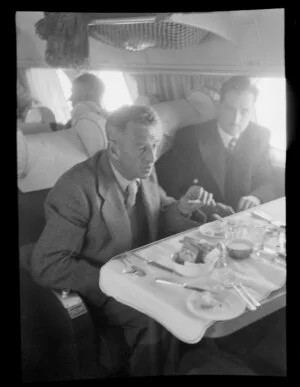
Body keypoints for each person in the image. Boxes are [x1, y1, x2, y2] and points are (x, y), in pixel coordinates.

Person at [29, 105, 212, 376]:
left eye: (155, 144)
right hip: (101, 287)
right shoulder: (76, 189)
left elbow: (160, 210)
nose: (152, 156)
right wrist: (115, 280)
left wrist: (182, 207)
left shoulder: (144, 167)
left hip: (145, 276)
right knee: (159, 315)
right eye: (142, 147)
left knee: (195, 297)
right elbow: (47, 263)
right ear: (114, 149)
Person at [156, 76, 278, 212]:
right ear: (219, 106)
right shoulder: (190, 136)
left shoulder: (260, 136)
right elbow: (170, 185)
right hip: (204, 219)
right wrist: (191, 203)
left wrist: (256, 198)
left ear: (252, 110)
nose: (236, 119)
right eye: (230, 109)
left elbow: (267, 180)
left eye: (244, 111)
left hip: (244, 219)